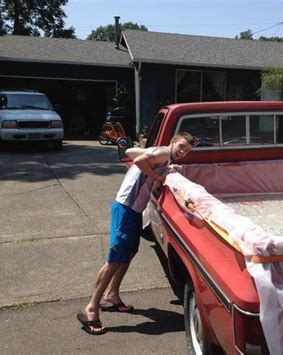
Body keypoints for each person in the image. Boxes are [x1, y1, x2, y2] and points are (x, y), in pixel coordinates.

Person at [77, 132, 195, 335]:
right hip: (126, 208)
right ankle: (91, 308)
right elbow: (139, 160)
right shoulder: (162, 153)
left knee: (129, 254)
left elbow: (133, 152)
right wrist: (158, 176)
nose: (183, 152)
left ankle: (112, 295)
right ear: (173, 142)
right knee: (115, 259)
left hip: (133, 210)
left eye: (187, 150)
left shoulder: (160, 154)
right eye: (181, 146)